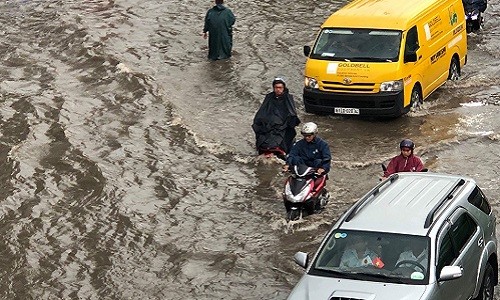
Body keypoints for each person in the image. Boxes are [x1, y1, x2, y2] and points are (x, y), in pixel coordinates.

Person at [252, 77, 301, 159]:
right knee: (262, 134)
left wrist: (288, 121)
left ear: (283, 88)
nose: (278, 90)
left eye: (280, 88)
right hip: (269, 125)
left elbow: (292, 113)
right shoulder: (269, 97)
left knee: (282, 136)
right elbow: (262, 111)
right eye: (276, 88)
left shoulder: (288, 98)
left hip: (283, 125)